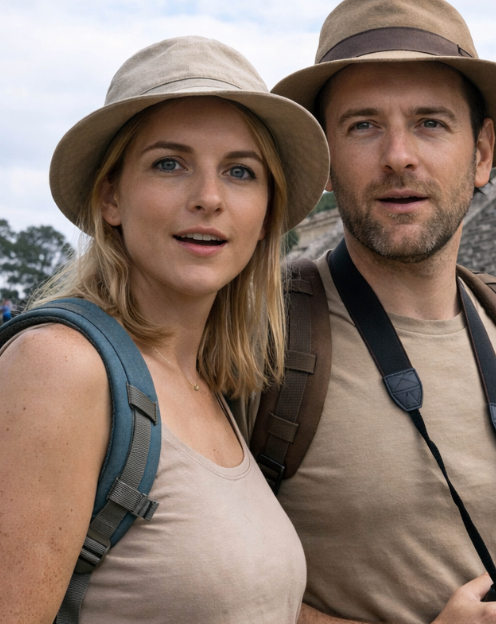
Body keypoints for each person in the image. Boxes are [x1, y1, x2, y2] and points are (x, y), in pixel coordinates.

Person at [251, 1, 496, 623]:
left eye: (431, 123)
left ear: (481, 152)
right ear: (325, 159)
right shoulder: (257, 338)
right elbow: (197, 591)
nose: (398, 156)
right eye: (363, 125)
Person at [1, 36, 330, 623]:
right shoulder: (60, 367)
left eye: (240, 171)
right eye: (169, 164)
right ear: (111, 198)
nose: (208, 198)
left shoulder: (215, 387)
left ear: (264, 218)